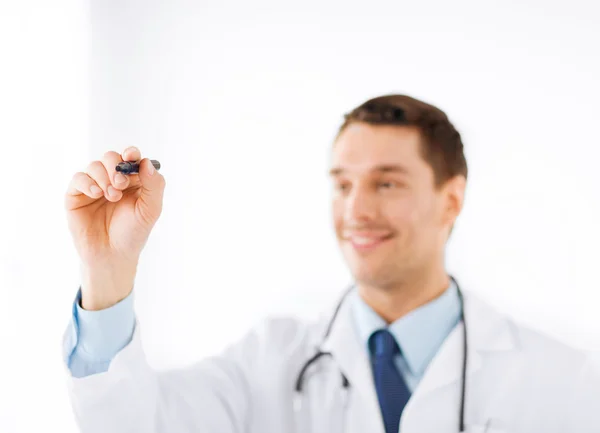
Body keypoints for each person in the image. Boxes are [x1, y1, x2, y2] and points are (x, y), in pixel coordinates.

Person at [62, 94, 599, 433]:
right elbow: (133, 424)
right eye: (343, 184)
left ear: (451, 199)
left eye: (387, 183)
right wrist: (108, 270)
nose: (356, 210)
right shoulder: (269, 362)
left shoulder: (563, 380)